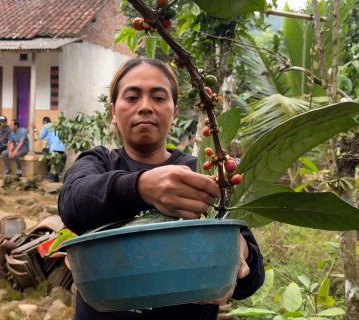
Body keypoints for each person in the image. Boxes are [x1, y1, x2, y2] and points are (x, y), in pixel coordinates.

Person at [58, 57, 265, 319]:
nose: (145, 107)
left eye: (158, 98)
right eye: (132, 97)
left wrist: (237, 250)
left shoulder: (203, 174)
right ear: (113, 111)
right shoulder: (98, 162)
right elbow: (73, 202)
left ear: (174, 111)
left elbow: (254, 277)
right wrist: (142, 188)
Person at [33, 117, 66, 182]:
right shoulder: (56, 125)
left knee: (53, 163)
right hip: (62, 148)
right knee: (57, 164)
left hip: (54, 148)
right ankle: (56, 177)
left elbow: (40, 137)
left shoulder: (46, 126)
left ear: (44, 122)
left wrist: (35, 129)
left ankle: (51, 177)